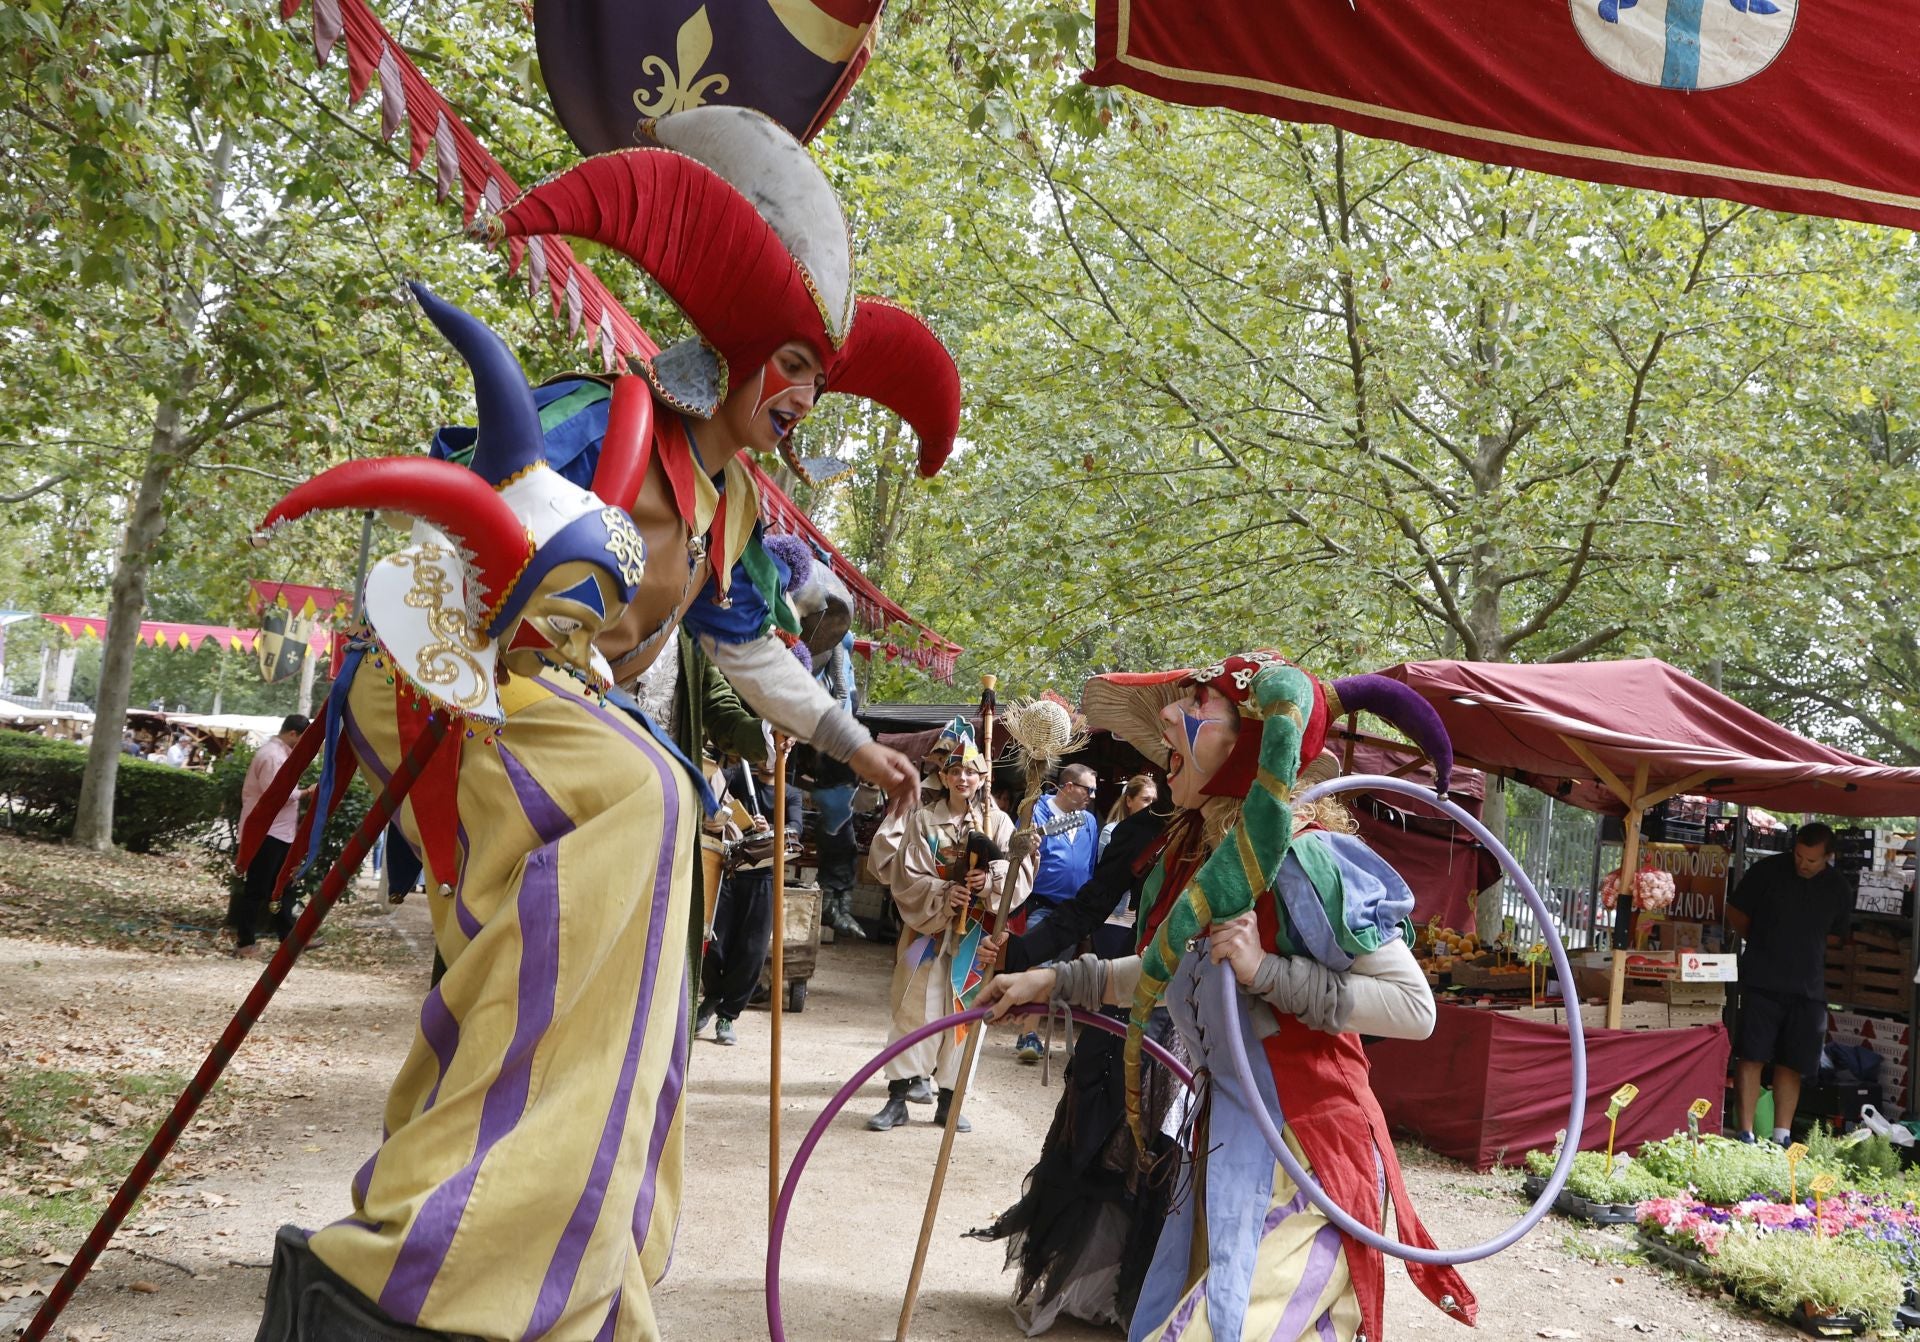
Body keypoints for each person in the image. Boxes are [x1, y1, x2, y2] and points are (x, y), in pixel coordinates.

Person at [247, 108, 958, 1342]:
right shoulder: (602, 415)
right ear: (732, 348)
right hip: (449, 681)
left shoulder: (733, 508)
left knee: (601, 917)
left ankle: (569, 1253)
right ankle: (461, 1253)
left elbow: (754, 653)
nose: (801, 393)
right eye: (789, 362)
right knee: (649, 799)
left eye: (817, 376)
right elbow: (457, 543)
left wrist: (856, 745)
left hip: (553, 717)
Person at [981, 655, 1475, 1342]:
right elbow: (1163, 974)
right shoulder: (1199, 857)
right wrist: (1054, 982)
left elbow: (1412, 1008)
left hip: (1306, 1158)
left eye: (1194, 710)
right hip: (1223, 1146)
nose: (1165, 733)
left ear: (1251, 742)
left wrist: (1266, 970)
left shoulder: (1307, 857)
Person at [867, 719, 1028, 1133]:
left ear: (982, 777)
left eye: (971, 772)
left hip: (975, 938)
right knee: (913, 1009)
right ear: (944, 774)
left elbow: (1020, 872)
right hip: (927, 931)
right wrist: (944, 892)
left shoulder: (1000, 824)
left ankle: (950, 1102)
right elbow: (906, 875)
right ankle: (898, 1097)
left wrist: (989, 881)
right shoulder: (922, 820)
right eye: (955, 771)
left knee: (966, 1013)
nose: (963, 778)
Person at [1727, 821, 1852, 1145]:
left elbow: (1837, 935)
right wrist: (1762, 940)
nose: (1803, 864)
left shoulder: (1838, 888)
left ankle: (1782, 1134)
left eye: (1812, 860)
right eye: (1799, 855)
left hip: (1808, 990)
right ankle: (1746, 1132)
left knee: (1792, 1062)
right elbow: (1736, 913)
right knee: (1752, 1055)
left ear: (1828, 857)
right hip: (1761, 981)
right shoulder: (1767, 870)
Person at [698, 754, 801, 1045]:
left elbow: (796, 830)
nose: (766, 759)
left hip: (764, 878)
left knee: (752, 952)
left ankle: (727, 1015)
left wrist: (769, 829)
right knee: (711, 944)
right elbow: (711, 802)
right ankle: (713, 996)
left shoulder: (790, 794)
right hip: (727, 872)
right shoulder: (732, 777)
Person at [1013, 763, 1102, 1062]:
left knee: (1057, 975)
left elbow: (1088, 865)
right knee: (1038, 966)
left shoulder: (1088, 821)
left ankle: (1037, 1033)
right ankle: (1028, 1033)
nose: (1092, 795)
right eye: (1088, 789)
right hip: (1040, 902)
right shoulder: (1036, 812)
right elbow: (1014, 852)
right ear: (1068, 787)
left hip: (1073, 909)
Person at [230, 715, 310, 960]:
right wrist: (307, 792)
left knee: (283, 887)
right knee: (257, 889)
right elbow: (278, 795)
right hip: (266, 832)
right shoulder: (273, 756)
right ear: (293, 734)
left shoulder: (281, 755)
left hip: (279, 832)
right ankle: (245, 942)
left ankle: (290, 939)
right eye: (305, 739)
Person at [1100, 774, 1158, 858]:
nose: (1151, 805)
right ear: (1129, 801)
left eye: (1154, 801)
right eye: (1146, 799)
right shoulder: (1110, 831)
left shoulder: (1156, 833)